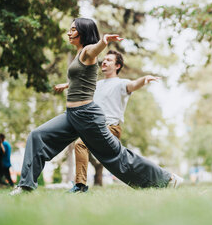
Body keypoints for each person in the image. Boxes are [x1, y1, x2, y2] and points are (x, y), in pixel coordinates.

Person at [10, 18, 182, 195]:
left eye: (73, 30)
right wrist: (66, 85)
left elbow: (94, 50)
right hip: (71, 115)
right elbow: (83, 80)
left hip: (87, 116)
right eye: (69, 29)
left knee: (116, 156)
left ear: (83, 33)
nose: (69, 32)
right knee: (37, 136)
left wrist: (103, 41)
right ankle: (26, 186)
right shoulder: (79, 56)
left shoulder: (87, 52)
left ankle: (166, 178)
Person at [57, 49, 161, 193]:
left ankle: (80, 186)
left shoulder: (121, 84)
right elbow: (82, 84)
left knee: (81, 144)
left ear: (117, 66)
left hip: (110, 128)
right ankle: (149, 183)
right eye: (104, 59)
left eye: (109, 60)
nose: (104, 62)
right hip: (95, 127)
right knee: (118, 164)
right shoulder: (98, 84)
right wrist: (66, 85)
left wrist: (143, 80)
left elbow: (133, 85)